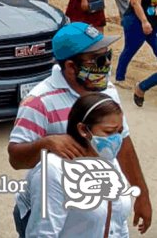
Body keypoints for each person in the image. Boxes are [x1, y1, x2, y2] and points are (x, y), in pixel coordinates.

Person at [7, 22, 151, 232]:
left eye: (108, 56)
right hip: (50, 207)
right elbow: (16, 158)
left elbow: (124, 143)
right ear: (71, 67)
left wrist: (142, 195)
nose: (107, 64)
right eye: (99, 60)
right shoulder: (38, 102)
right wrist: (46, 144)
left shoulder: (107, 91)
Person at [14, 93, 136, 237]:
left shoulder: (109, 159)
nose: (116, 139)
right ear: (83, 130)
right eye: (109, 132)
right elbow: (43, 233)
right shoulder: (53, 171)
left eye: (119, 132)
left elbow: (118, 222)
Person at [114, 0, 157, 89]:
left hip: (152, 23)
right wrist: (144, 22)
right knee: (130, 49)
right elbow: (135, 3)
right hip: (136, 22)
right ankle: (119, 78)